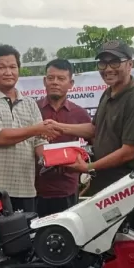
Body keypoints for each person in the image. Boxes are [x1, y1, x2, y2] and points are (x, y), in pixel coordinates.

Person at [62, 40, 134, 233]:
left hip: (124, 190)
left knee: (123, 246)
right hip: (105, 189)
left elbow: (128, 152)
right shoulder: (108, 93)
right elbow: (95, 130)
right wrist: (59, 127)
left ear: (130, 64)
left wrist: (88, 167)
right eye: (102, 63)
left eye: (115, 62)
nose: (108, 69)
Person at [0, 45, 61, 213]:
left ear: (19, 70)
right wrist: (35, 129)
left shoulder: (30, 103)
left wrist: (56, 159)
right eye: (1, 67)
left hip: (25, 190)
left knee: (24, 239)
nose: (8, 72)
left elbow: (39, 143)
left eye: (12, 67)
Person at [35, 58, 92, 217]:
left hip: (67, 188)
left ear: (71, 83)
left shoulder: (80, 113)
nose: (55, 82)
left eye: (61, 79)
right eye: (51, 78)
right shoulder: (32, 109)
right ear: (44, 81)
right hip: (34, 189)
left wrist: (84, 164)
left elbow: (93, 142)